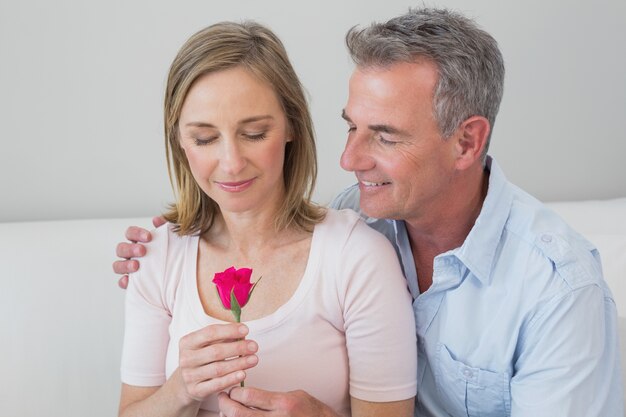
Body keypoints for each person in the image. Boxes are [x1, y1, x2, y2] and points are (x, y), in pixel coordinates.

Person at [114, 8, 624, 417]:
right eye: (351, 127)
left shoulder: (559, 292)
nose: (348, 160)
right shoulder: (361, 212)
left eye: (384, 135)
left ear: (466, 141)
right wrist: (162, 248)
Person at [116, 20, 418, 417]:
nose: (231, 163)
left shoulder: (356, 257)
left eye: (255, 133)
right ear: (179, 141)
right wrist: (180, 390)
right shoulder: (156, 255)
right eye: (205, 139)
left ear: (292, 125)